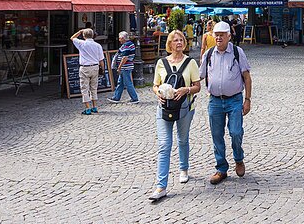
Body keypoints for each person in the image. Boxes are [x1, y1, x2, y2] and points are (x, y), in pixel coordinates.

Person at [149, 30, 201, 201]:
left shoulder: (191, 62)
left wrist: (186, 89)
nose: (179, 43)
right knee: (164, 145)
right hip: (164, 108)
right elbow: (155, 85)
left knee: (183, 139)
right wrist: (159, 93)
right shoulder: (161, 64)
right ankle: (160, 186)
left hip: (185, 107)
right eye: (175, 40)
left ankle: (183, 168)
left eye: (181, 40)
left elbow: (197, 86)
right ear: (169, 44)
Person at [199, 21, 252, 185]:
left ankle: (238, 158)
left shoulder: (237, 52)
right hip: (215, 100)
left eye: (222, 35)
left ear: (229, 36)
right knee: (216, 135)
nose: (219, 37)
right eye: (217, 35)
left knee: (236, 132)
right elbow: (199, 76)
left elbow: (247, 77)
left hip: (235, 99)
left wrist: (247, 100)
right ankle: (221, 168)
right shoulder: (208, 54)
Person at [70, 28, 105, 115]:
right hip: (95, 67)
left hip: (85, 68)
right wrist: (102, 69)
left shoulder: (81, 43)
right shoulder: (98, 45)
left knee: (85, 88)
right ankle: (95, 107)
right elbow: (101, 60)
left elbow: (72, 38)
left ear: (84, 36)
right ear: (93, 35)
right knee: (94, 88)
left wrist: (80, 31)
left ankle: (87, 108)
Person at [107, 31, 139, 104]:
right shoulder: (129, 44)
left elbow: (124, 58)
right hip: (125, 67)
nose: (119, 40)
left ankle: (134, 98)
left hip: (125, 67)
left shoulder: (127, 45)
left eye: (119, 38)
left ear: (122, 38)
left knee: (128, 83)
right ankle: (116, 97)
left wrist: (119, 67)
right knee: (120, 83)